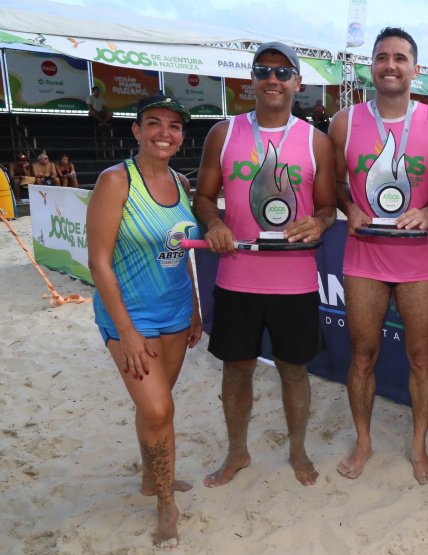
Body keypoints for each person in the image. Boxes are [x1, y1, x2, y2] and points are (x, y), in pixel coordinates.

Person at [193, 41, 336, 488]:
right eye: (263, 71)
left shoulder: (316, 142)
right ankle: (237, 454)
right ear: (251, 80)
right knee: (236, 369)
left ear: (298, 81)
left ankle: (297, 452)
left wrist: (318, 223)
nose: (272, 79)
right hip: (237, 277)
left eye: (282, 71)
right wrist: (213, 221)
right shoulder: (224, 132)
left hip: (294, 282)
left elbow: (330, 208)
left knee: (295, 370)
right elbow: (202, 197)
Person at [329, 27, 428, 485]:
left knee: (421, 356)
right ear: (371, 65)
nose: (390, 65)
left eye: (400, 58)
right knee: (362, 355)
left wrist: (425, 210)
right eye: (382, 57)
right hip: (364, 258)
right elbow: (338, 185)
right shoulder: (344, 122)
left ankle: (418, 447)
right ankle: (363, 442)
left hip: (420, 261)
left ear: (415, 69)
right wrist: (350, 208)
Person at [86, 95, 200, 548]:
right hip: (128, 315)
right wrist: (128, 331)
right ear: (136, 130)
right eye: (154, 123)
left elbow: (184, 252)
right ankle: (165, 503)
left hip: (175, 310)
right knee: (158, 409)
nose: (164, 133)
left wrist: (194, 305)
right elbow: (97, 262)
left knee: (156, 406)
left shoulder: (181, 183)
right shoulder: (116, 181)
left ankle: (153, 478)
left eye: (174, 126)